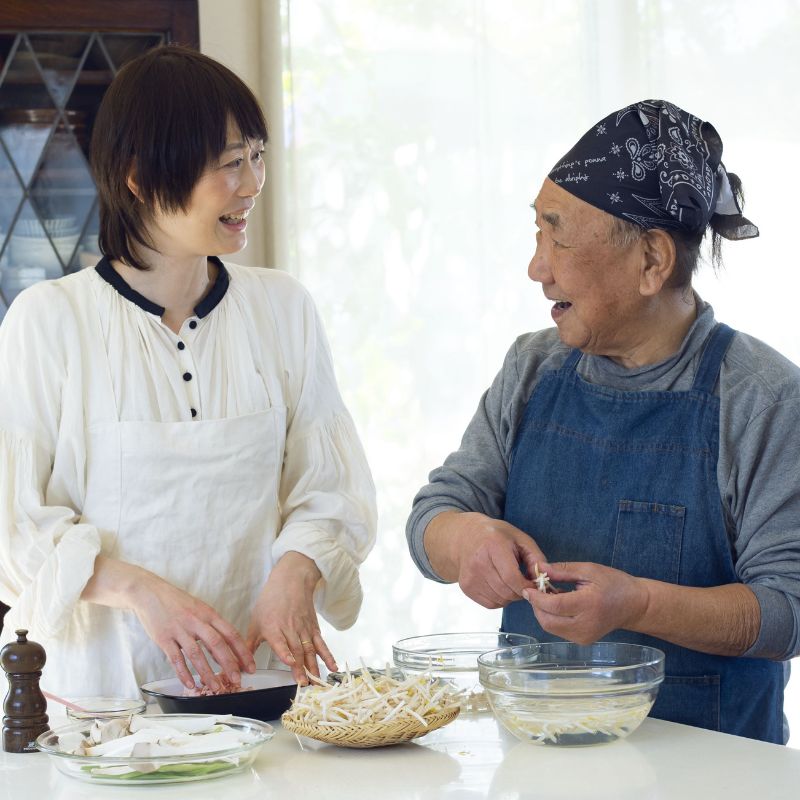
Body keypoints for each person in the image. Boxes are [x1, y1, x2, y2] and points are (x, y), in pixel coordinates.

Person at [406, 99, 800, 744]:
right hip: (535, 763)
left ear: (651, 261)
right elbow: (436, 513)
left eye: (557, 235)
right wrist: (466, 540)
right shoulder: (532, 368)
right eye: (536, 233)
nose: (538, 266)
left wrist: (639, 604)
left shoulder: (763, 398)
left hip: (712, 775)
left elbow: (789, 609)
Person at [0, 45, 377, 699]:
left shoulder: (283, 307)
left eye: (257, 156)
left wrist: (297, 567)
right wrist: (143, 592)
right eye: (229, 164)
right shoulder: (48, 321)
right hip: (103, 712)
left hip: (260, 690)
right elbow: (15, 528)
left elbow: (330, 487)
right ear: (141, 178)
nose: (252, 183)